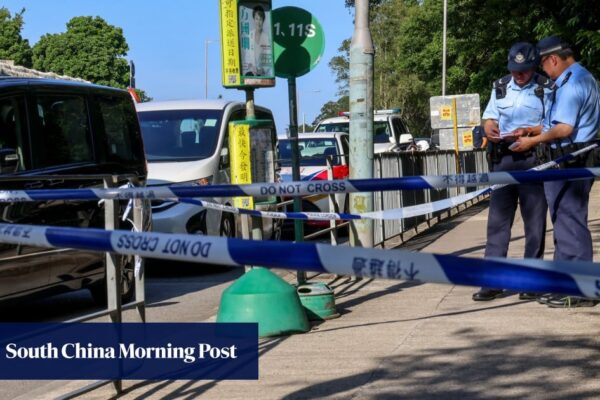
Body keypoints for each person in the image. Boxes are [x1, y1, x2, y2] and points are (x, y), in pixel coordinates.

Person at [511, 36, 600, 308]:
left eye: (542, 65)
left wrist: (531, 141)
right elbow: (555, 122)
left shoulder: (573, 84)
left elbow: (564, 129)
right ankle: (565, 284)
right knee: (563, 223)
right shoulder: (577, 78)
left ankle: (582, 290)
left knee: (570, 223)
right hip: (566, 159)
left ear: (553, 59)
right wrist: (532, 130)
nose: (542, 71)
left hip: (570, 160)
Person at [472, 42, 553, 301]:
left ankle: (532, 282)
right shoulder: (500, 86)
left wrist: (530, 132)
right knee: (497, 223)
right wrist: (489, 128)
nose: (519, 75)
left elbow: (553, 125)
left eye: (524, 70)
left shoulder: (546, 87)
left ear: (533, 66)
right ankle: (492, 282)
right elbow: (490, 117)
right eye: (515, 70)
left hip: (533, 158)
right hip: (503, 158)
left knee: (534, 223)